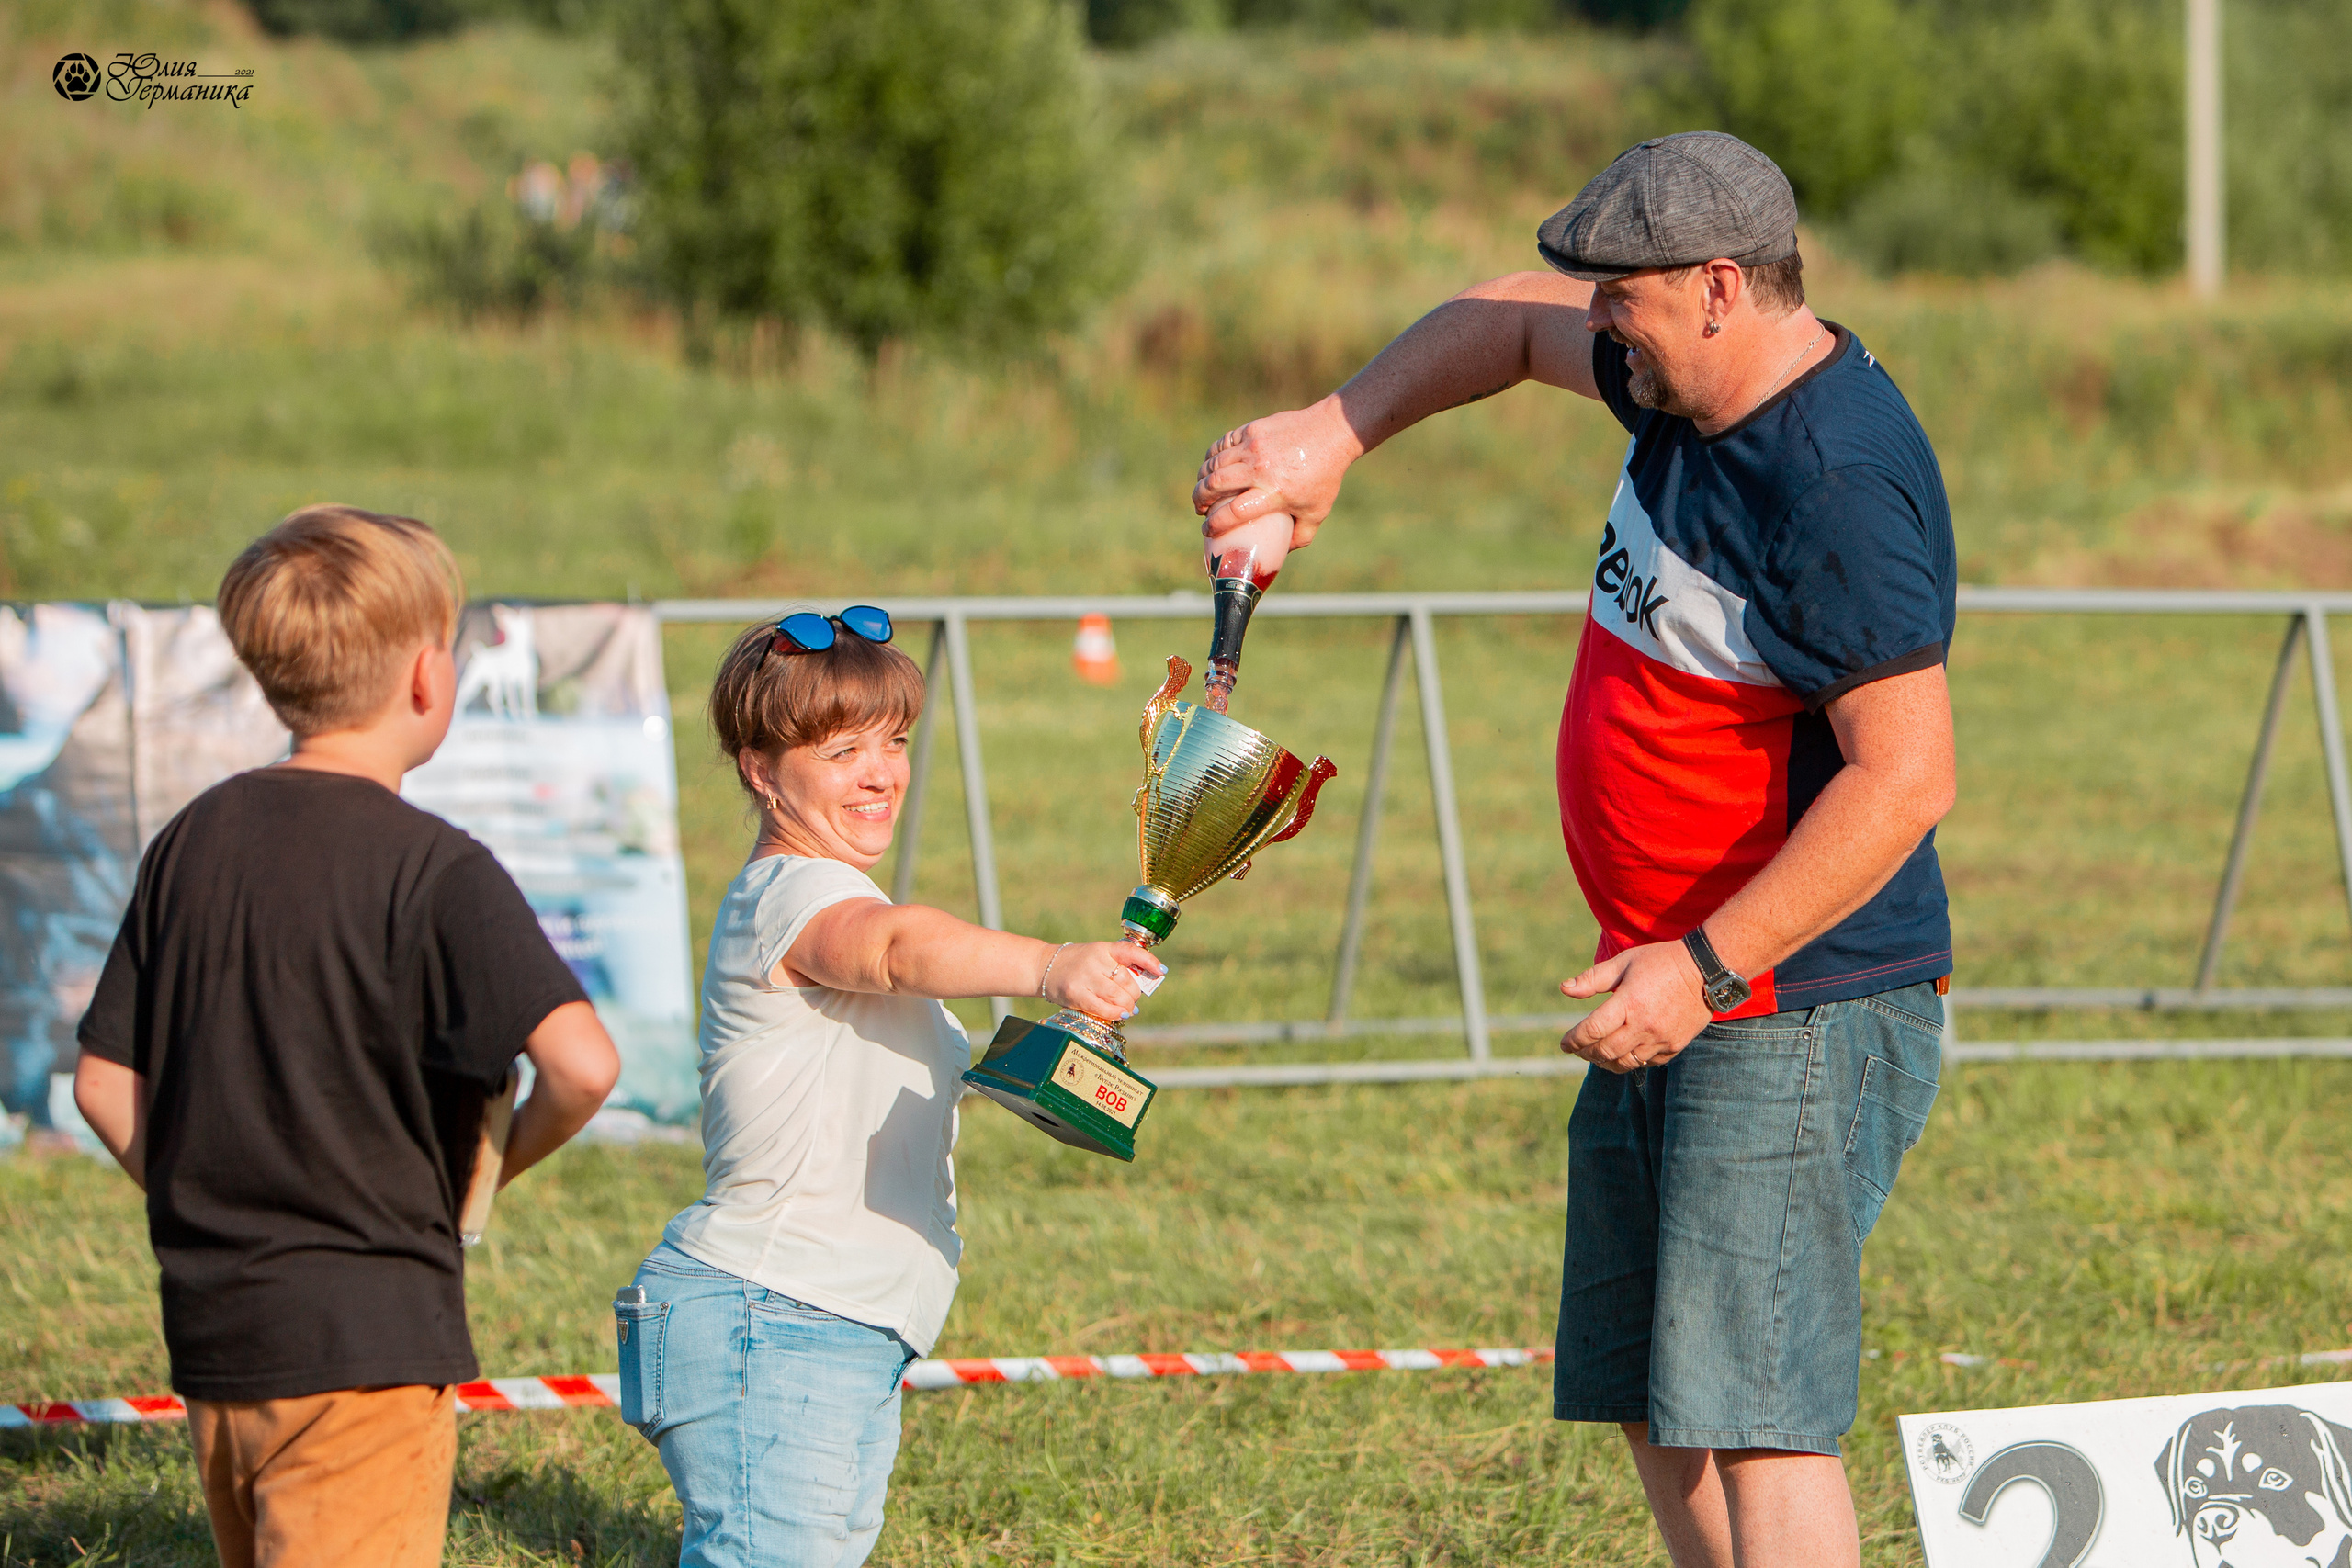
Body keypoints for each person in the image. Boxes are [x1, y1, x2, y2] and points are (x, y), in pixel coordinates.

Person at [1190, 132, 1957, 1568]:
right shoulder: (1689, 383)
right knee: (1649, 1388)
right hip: (1659, 974)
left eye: (1625, 297)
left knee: (1759, 1409)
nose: (1599, 320)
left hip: (1790, 994)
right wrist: (1327, 437)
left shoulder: (1832, 483)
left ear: (1721, 286)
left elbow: (1908, 778)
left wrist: (1709, 967)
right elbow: (1497, 318)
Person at [72, 504, 622, 1568]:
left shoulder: (190, 841)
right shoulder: (437, 867)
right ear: (428, 678)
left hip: (218, 1335)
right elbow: (582, 1065)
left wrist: (206, 1197)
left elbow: (103, 1083)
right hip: (369, 1342)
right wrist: (480, 1179)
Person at [618, 608, 1162, 1568]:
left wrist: (1076, 1022)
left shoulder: (823, 888)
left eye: (894, 741)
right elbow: (897, 948)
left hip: (826, 1321)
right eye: (840, 751)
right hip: (773, 1312)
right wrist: (1046, 963)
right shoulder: (792, 893)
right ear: (757, 769)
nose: (879, 773)